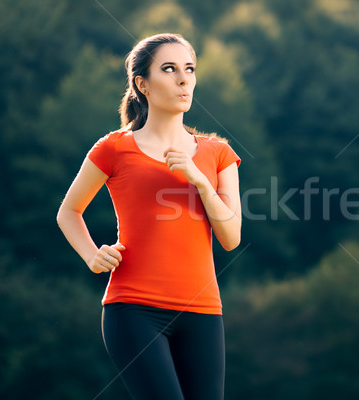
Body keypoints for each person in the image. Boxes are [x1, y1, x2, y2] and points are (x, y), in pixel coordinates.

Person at [56, 33, 241, 400]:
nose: (183, 79)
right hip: (133, 310)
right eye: (168, 69)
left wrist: (200, 182)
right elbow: (69, 211)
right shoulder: (114, 148)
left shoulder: (218, 153)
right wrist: (92, 255)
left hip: (203, 312)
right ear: (142, 84)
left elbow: (231, 237)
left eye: (189, 69)